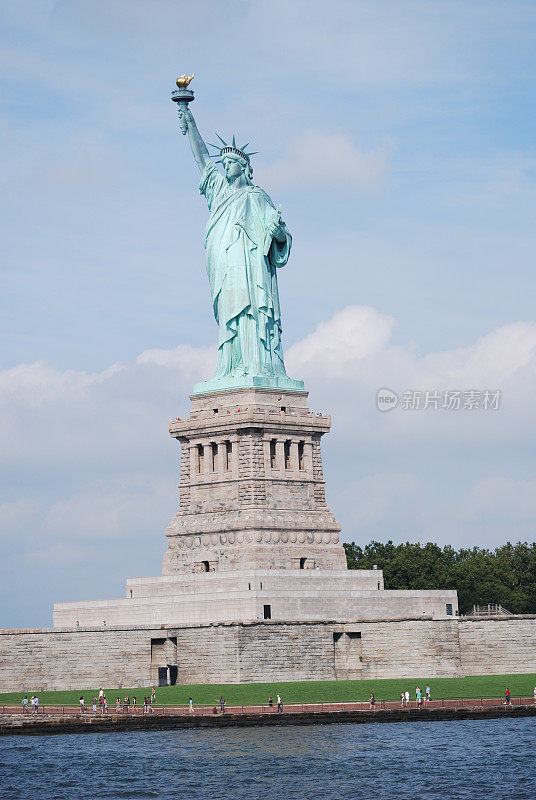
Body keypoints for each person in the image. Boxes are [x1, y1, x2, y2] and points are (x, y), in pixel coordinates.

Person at [176, 106, 297, 389]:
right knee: (231, 312)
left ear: (243, 167)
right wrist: (190, 120)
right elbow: (202, 159)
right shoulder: (218, 191)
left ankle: (259, 365)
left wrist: (278, 232)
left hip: (252, 266)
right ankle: (231, 367)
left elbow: (280, 237)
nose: (225, 166)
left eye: (230, 163)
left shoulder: (257, 197)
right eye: (224, 163)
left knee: (252, 312)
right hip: (225, 262)